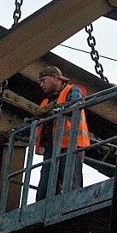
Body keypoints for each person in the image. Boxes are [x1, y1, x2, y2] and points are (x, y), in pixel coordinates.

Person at [34, 66, 90, 201]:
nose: (41, 85)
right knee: (45, 188)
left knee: (71, 182)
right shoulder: (45, 102)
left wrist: (53, 109)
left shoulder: (72, 91)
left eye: (43, 80)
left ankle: (73, 206)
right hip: (51, 148)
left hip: (71, 145)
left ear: (55, 78)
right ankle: (44, 209)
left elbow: (74, 104)